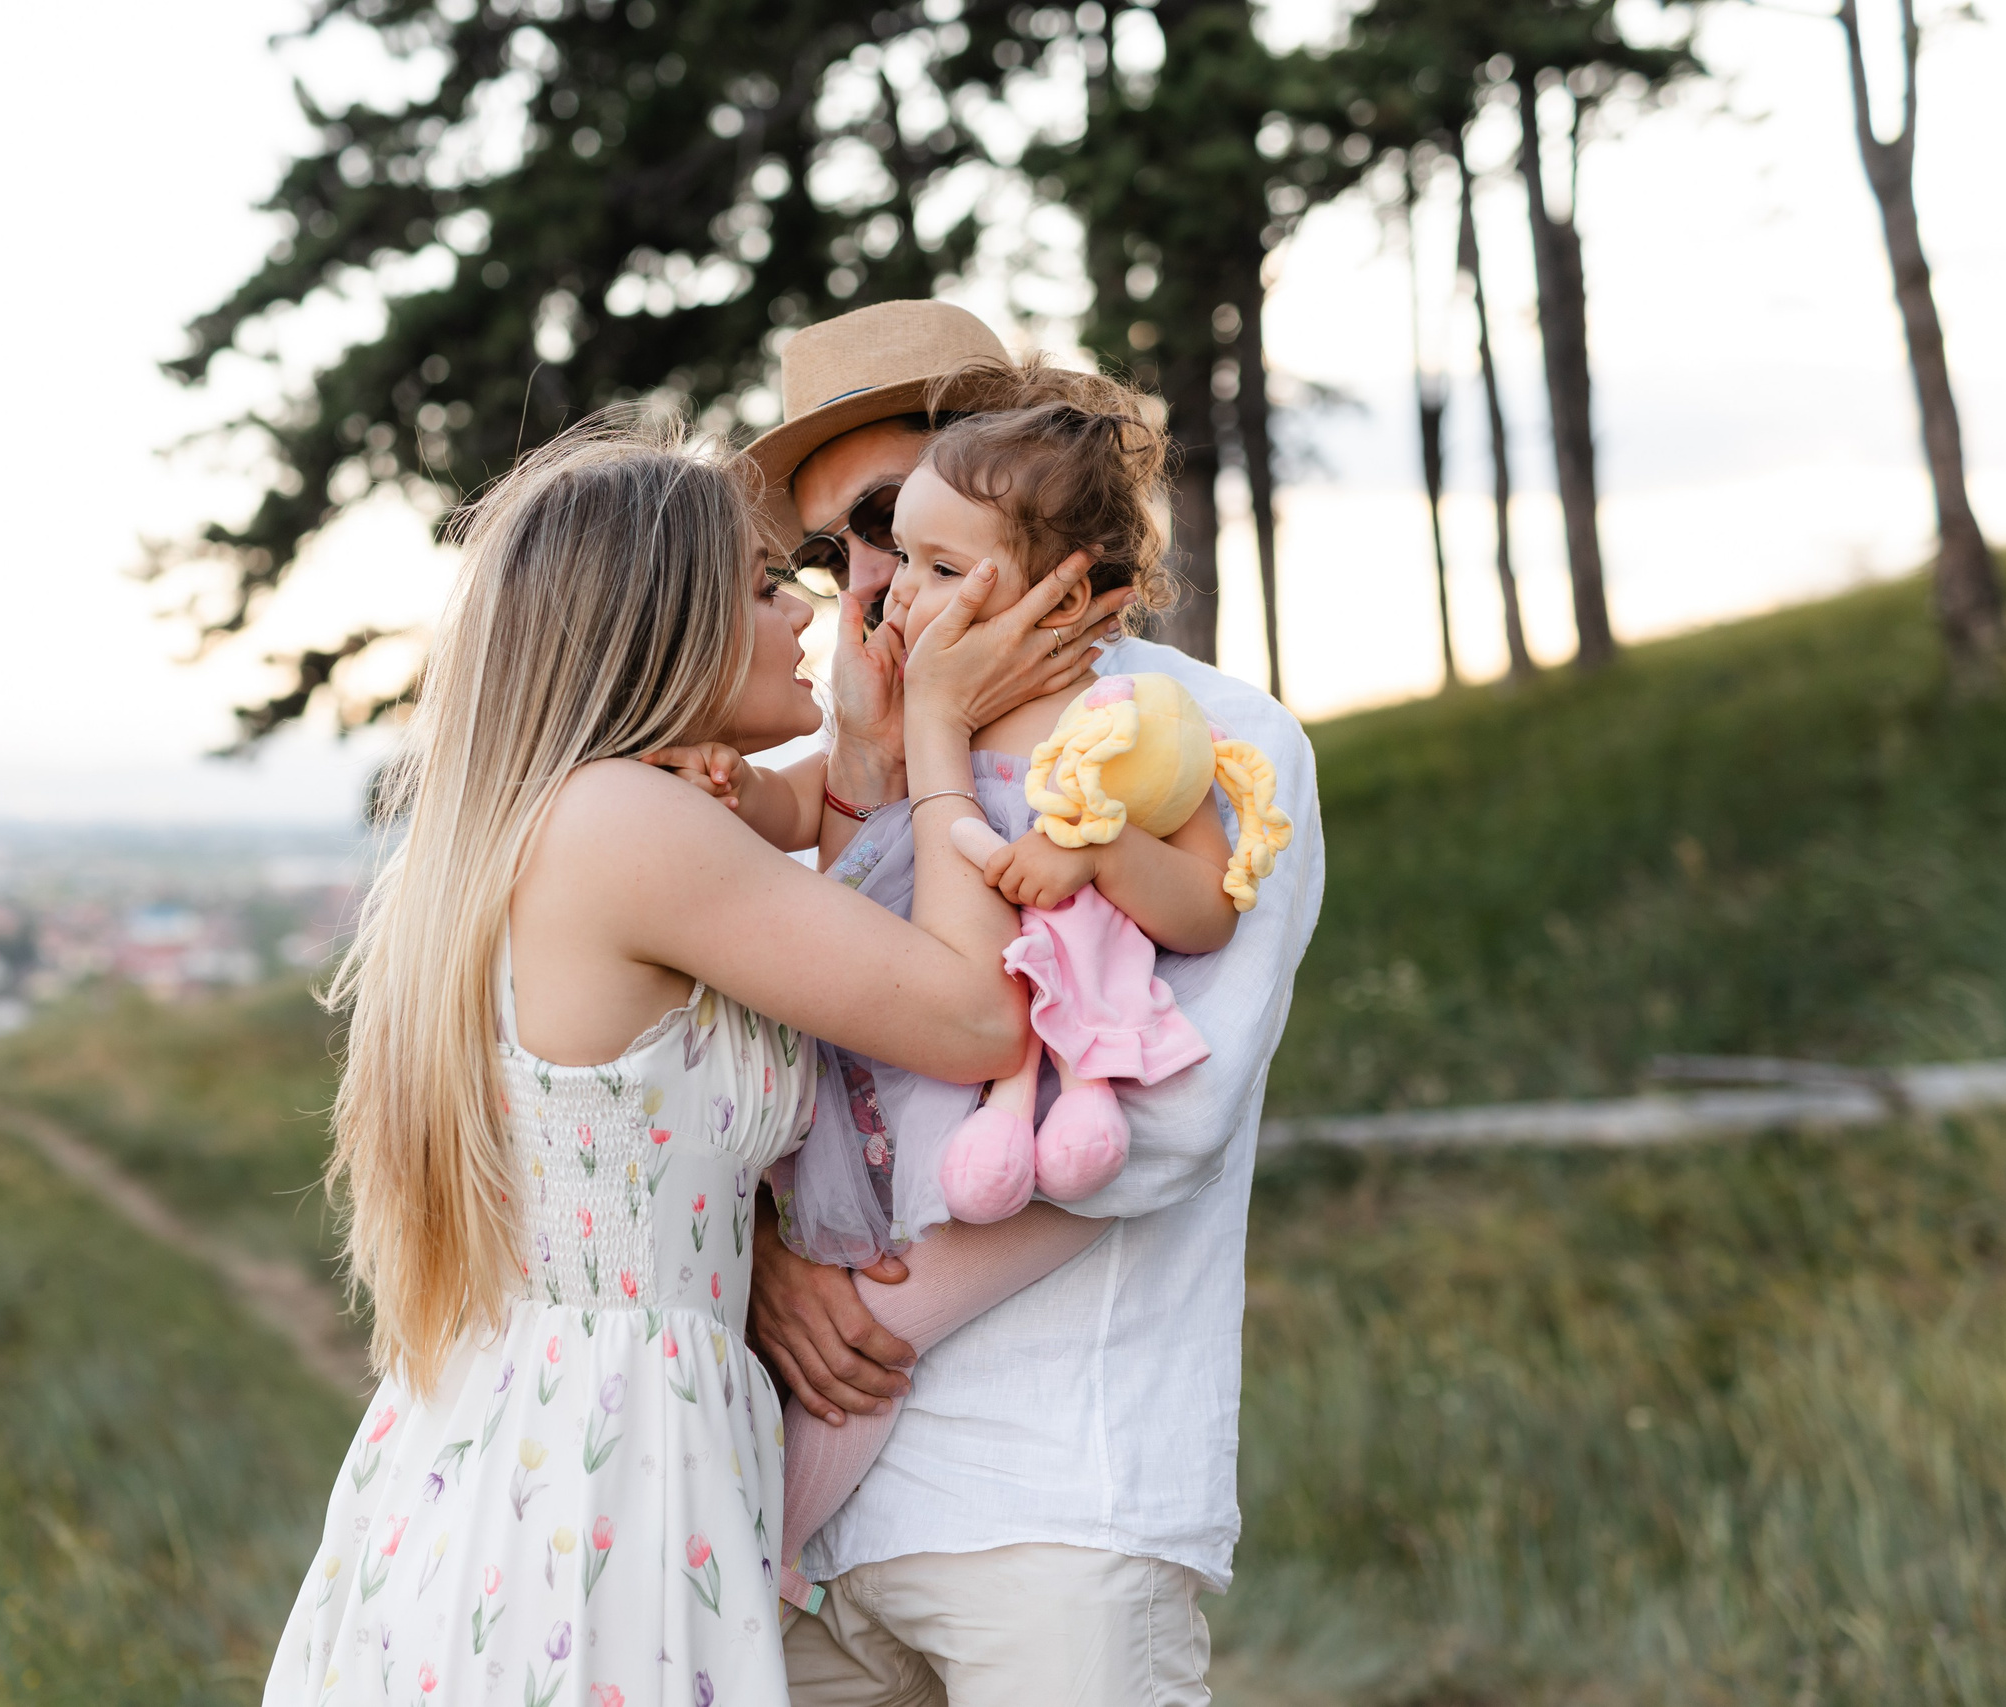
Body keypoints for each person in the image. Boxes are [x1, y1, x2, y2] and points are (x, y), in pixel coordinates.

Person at [259, 414, 1122, 1706]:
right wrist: (941, 728)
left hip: (549, 1451)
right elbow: (976, 1020)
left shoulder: (585, 814)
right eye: (767, 584)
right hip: (596, 1476)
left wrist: (866, 753)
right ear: (665, 621)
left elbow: (828, 954)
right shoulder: (628, 825)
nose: (808, 612)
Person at [742, 303, 1327, 1707]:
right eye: (835, 552)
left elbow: (1165, 1119)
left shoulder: (1205, 740)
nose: (871, 582)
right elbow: (752, 1092)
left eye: (890, 522)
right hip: (797, 1535)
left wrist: (866, 1316)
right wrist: (767, 1266)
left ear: (1010, 483)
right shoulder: (837, 769)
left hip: (1054, 1506)